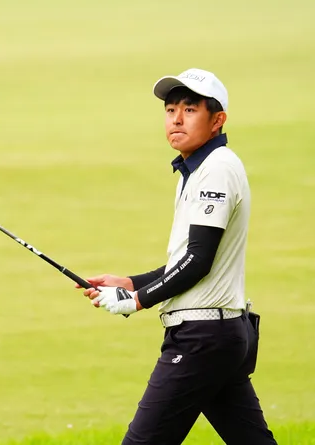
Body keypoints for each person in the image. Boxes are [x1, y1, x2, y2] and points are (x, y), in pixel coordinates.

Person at [78, 68, 278, 444]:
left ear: (217, 120)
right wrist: (130, 282)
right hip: (219, 335)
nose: (176, 119)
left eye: (189, 109)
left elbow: (198, 260)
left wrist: (137, 300)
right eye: (171, 110)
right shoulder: (196, 169)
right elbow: (186, 260)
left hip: (202, 338)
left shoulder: (216, 169)